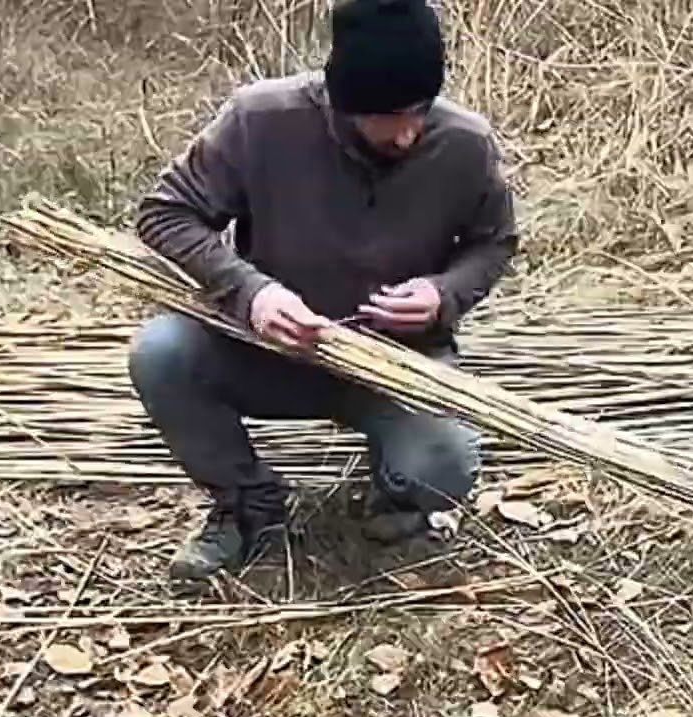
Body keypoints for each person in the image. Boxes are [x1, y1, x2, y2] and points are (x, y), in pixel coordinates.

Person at [125, 0, 518, 582]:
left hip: (397, 360)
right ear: (343, 98)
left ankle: (397, 493)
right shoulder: (261, 119)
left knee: (446, 465)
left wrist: (443, 294)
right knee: (161, 352)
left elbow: (494, 243)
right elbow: (165, 214)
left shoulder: (464, 143)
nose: (409, 133)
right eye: (390, 116)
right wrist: (251, 293)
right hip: (271, 348)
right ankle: (246, 506)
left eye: (420, 110)